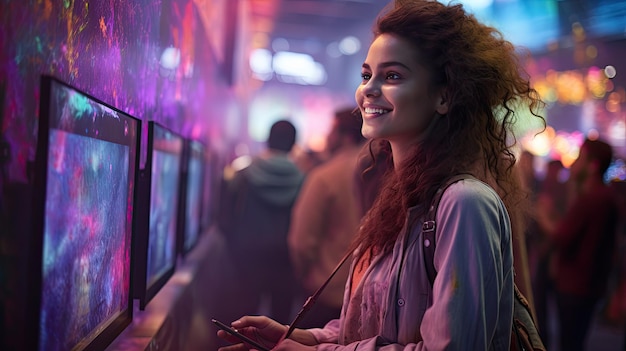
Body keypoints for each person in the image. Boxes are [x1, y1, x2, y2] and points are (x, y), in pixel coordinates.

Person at [216, 1, 544, 349]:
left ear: (445, 96)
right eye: (366, 74)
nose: (369, 89)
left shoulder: (464, 203)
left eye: (392, 76)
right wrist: (307, 337)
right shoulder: (401, 198)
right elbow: (373, 322)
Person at [217, 119, 305, 324]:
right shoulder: (304, 179)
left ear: (267, 140)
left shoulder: (244, 174)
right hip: (285, 259)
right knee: (281, 323)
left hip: (247, 256)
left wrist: (234, 246)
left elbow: (225, 219)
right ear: (293, 144)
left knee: (243, 317)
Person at [536, 138, 620, 351]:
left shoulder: (592, 198)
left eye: (580, 157)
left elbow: (562, 236)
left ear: (592, 165)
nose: (574, 163)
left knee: (570, 343)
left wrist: (543, 215)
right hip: (588, 285)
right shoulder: (602, 196)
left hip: (575, 286)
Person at [287, 107, 366, 329]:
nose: (327, 137)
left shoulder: (325, 177)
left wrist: (307, 278)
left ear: (345, 135)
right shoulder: (384, 172)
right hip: (368, 295)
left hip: (327, 292)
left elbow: (301, 242)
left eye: (332, 130)